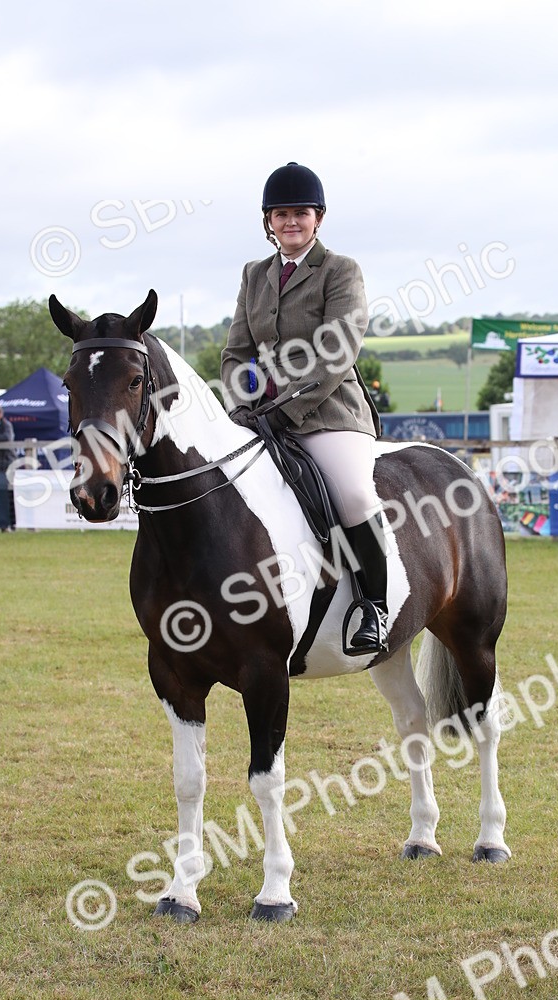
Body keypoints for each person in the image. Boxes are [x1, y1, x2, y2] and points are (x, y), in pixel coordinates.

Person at [221, 162, 387, 655]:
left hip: (329, 412)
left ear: (317, 218)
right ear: (268, 221)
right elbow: (235, 352)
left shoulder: (339, 270)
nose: (290, 222)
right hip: (259, 414)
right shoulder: (254, 275)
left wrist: (284, 406)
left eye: (300, 213)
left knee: (355, 495)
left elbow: (338, 350)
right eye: (281, 214)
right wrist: (246, 399)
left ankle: (373, 608)